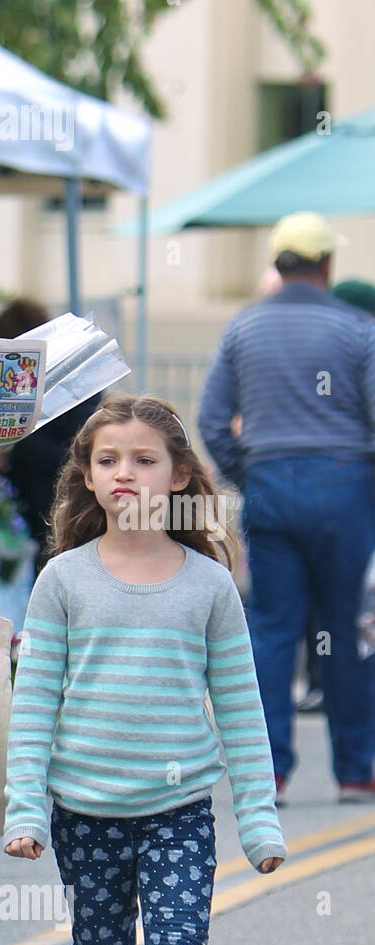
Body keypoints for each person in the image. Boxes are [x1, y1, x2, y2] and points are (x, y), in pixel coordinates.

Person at [4, 395, 285, 945]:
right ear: (86, 479)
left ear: (180, 476)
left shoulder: (207, 586)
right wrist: (26, 809)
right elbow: (35, 707)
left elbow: (240, 708)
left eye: (144, 459)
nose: (124, 473)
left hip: (177, 816)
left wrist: (259, 821)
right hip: (83, 815)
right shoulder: (62, 581)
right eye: (107, 460)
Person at [198, 212, 375, 804]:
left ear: (278, 265)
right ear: (327, 264)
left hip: (270, 487)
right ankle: (356, 770)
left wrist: (248, 471)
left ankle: (270, 772)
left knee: (273, 630)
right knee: (341, 630)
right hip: (345, 488)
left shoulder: (242, 329)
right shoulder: (357, 330)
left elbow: (212, 419)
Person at [0, 298, 99, 572]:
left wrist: (14, 445)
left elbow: (74, 449)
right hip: (28, 501)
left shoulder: (73, 380)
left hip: (57, 499)